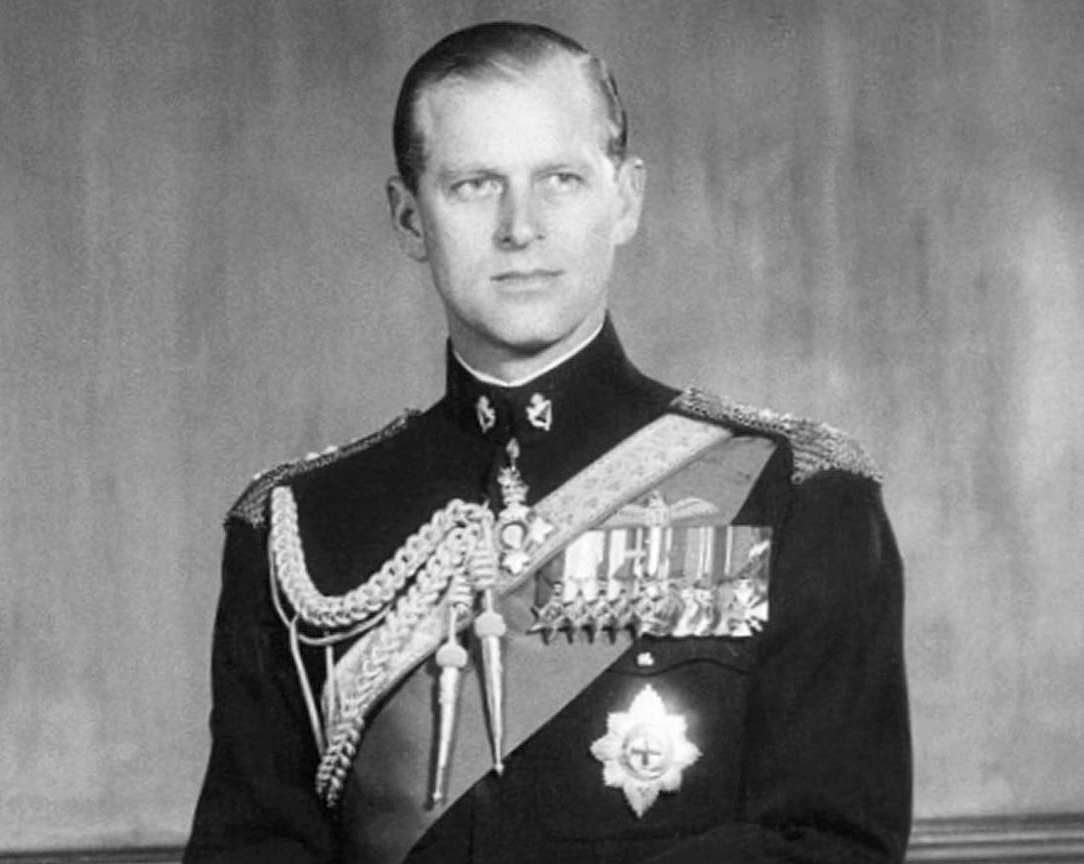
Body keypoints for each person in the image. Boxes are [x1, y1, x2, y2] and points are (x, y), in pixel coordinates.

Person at [185, 20, 910, 864]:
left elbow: (831, 847)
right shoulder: (295, 529)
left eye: (560, 179)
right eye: (473, 184)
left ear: (626, 198)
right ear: (409, 218)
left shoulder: (795, 494)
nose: (519, 226)